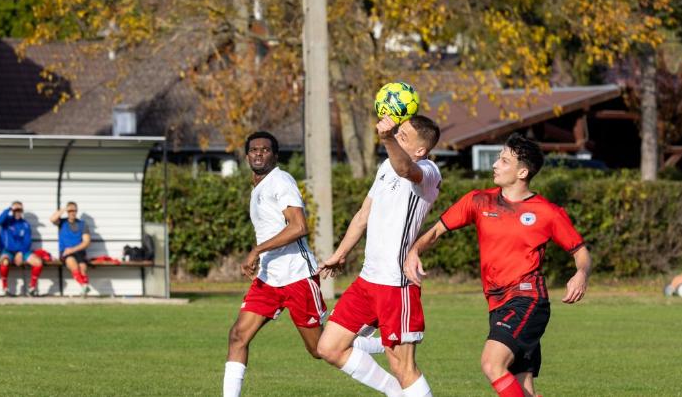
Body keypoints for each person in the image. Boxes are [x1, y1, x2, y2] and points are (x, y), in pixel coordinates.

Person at [404, 133, 592, 397]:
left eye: (504, 161)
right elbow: (436, 231)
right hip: (497, 304)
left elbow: (580, 252)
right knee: (521, 388)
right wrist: (414, 251)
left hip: (527, 299)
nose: (495, 165)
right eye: (498, 159)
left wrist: (581, 274)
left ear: (523, 172)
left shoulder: (547, 212)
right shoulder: (479, 200)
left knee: (492, 364)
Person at [223, 131, 383, 397]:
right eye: (253, 149)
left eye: (265, 149)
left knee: (319, 349)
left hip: (297, 277)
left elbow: (298, 227)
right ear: (246, 155)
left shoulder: (280, 180)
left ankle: (379, 345)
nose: (259, 153)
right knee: (238, 336)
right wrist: (261, 257)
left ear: (275, 155)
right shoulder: (258, 187)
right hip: (268, 280)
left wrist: (257, 250)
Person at [316, 114, 442, 397]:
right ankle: (394, 393)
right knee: (328, 347)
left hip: (396, 285)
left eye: (404, 136)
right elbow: (363, 214)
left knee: (403, 367)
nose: (397, 136)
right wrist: (340, 254)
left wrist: (386, 139)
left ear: (421, 150)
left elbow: (405, 167)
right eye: (398, 133)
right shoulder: (386, 165)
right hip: (367, 281)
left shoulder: (429, 171)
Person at [0, 201, 42, 297]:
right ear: (12, 210)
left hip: (22, 251)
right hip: (8, 250)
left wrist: (21, 253)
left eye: (20, 210)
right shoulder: (7, 221)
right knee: (4, 261)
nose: (18, 212)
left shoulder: (25, 224)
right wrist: (9, 208)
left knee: (38, 262)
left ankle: (32, 288)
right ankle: (5, 288)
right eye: (16, 210)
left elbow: (27, 242)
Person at [50, 202, 92, 296]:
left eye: (74, 210)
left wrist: (72, 249)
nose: (72, 213)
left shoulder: (82, 224)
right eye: (70, 210)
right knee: (71, 262)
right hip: (66, 252)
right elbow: (52, 219)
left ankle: (84, 288)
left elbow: (86, 242)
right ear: (67, 212)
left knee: (82, 267)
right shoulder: (62, 222)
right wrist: (64, 209)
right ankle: (84, 286)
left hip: (78, 251)